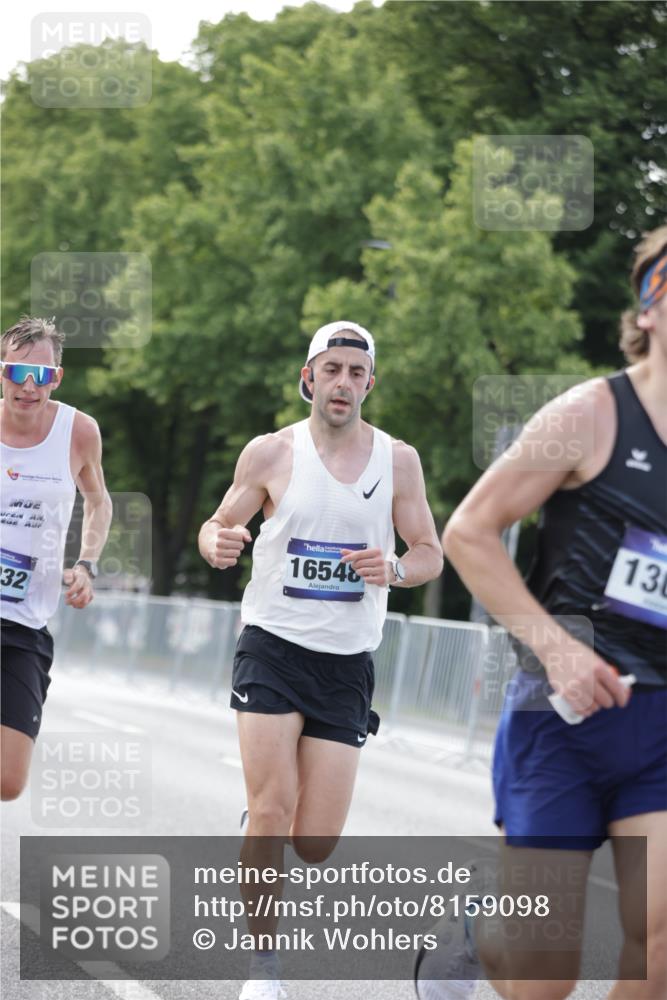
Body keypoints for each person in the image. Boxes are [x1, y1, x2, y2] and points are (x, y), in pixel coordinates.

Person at [416, 228, 667, 1000]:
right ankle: (474, 935)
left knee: (659, 947)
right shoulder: (590, 413)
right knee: (542, 972)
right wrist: (557, 649)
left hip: (659, 725)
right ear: (648, 302)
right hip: (558, 719)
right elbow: (468, 532)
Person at [199, 321, 443, 1000]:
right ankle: (264, 970)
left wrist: (394, 566)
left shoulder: (399, 461)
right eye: (330, 369)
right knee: (273, 810)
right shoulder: (271, 452)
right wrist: (216, 544)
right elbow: (217, 525)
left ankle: (263, 827)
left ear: (371, 383)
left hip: (346, 660)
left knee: (313, 844)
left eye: (355, 372)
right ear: (309, 378)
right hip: (272, 645)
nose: (342, 383)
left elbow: (428, 550)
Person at [1, 316, 112, 801]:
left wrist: (87, 563)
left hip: (25, 624)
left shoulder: (78, 432)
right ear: (0, 372)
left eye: (41, 375)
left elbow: (99, 501)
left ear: (57, 378)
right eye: (16, 372)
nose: (28, 386)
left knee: (8, 782)